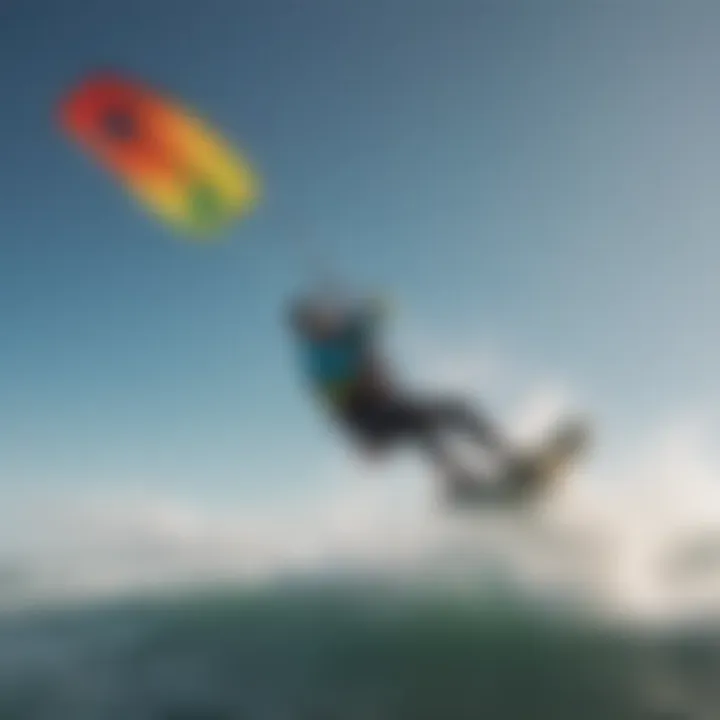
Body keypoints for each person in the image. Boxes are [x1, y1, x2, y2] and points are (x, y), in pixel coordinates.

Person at [287, 290, 517, 503]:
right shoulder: (321, 357)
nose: (324, 320)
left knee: (457, 410)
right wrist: (356, 326)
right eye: (316, 321)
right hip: (368, 420)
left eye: (322, 315)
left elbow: (386, 308)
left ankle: (502, 459)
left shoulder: (346, 335)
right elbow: (337, 400)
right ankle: (461, 482)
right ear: (309, 330)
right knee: (424, 424)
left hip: (388, 408)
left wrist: (359, 308)